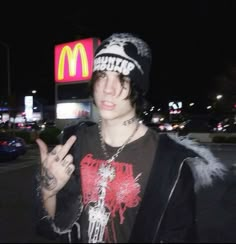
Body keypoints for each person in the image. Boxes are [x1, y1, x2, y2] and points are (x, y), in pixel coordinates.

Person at [34, 33, 227, 243]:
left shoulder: (171, 162)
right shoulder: (73, 142)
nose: (109, 89)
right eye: (102, 75)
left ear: (138, 87)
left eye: (122, 78)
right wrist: (48, 190)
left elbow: (180, 235)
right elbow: (55, 227)